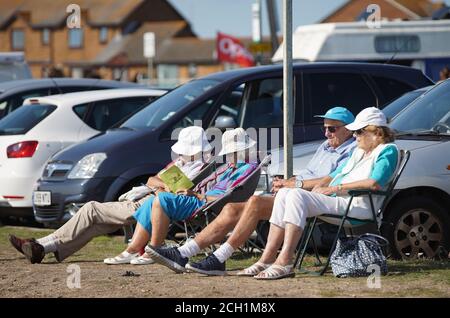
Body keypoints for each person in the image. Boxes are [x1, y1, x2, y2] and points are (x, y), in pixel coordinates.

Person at [146, 107, 357, 275]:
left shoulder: (350, 151)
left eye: (332, 129)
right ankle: (184, 253)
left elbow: (329, 180)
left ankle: (217, 258)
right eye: (325, 128)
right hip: (293, 194)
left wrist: (294, 185)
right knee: (230, 208)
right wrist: (287, 181)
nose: (326, 133)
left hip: (313, 198)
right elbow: (308, 174)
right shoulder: (325, 147)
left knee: (254, 202)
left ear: (348, 129)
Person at [8, 126, 212, 264]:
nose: (183, 153)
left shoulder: (203, 168)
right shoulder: (182, 163)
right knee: (95, 223)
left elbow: (190, 193)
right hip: (150, 196)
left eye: (188, 150)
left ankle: (42, 244)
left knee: (91, 209)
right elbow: (152, 180)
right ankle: (42, 248)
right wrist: (164, 185)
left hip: (153, 203)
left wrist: (168, 189)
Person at [250, 107, 398, 280]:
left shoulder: (388, 151)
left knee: (296, 196)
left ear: (376, 133)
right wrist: (307, 186)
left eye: (358, 131)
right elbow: (333, 176)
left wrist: (334, 189)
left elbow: (374, 183)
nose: (354, 135)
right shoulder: (359, 152)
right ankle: (267, 258)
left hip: (356, 205)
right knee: (285, 193)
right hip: (339, 201)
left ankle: (285, 260)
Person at [108, 128, 258, 269]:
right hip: (200, 199)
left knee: (162, 200)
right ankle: (134, 248)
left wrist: (197, 195)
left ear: (245, 150)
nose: (231, 156)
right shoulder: (231, 166)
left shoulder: (246, 168)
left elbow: (227, 197)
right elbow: (151, 180)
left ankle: (155, 248)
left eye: (235, 152)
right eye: (231, 153)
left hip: (207, 204)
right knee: (153, 200)